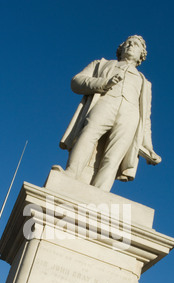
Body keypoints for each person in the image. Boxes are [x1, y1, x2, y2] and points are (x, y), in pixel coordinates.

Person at [60, 35, 161, 192]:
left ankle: (101, 191)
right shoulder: (102, 64)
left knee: (114, 156)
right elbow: (76, 81)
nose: (130, 46)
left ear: (141, 54)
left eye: (135, 45)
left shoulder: (144, 82)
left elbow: (145, 116)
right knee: (88, 134)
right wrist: (103, 84)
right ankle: (71, 173)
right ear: (120, 49)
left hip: (130, 114)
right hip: (106, 101)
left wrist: (148, 146)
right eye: (128, 43)